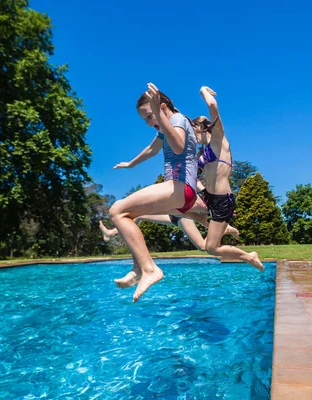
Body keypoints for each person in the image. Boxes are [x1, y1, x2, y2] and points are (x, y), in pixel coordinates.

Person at [109, 83, 199, 302]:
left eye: (150, 116)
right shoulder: (164, 128)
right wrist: (130, 164)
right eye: (146, 120)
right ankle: (139, 266)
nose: (150, 123)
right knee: (130, 216)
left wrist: (160, 114)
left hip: (181, 188)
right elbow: (152, 149)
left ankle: (149, 269)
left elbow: (178, 147)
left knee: (117, 210)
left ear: (163, 106)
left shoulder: (177, 120)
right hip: (179, 194)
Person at [192, 86, 263, 271]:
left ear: (201, 126)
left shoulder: (218, 139)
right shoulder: (203, 152)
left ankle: (249, 256)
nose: (192, 136)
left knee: (211, 248)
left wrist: (202, 91)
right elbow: (196, 177)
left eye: (193, 131)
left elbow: (212, 104)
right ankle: (228, 228)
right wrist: (201, 189)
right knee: (177, 210)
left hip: (223, 200)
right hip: (209, 198)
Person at [99, 216, 239, 288]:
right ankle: (111, 233)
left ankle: (223, 230)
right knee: (136, 215)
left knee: (203, 246)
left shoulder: (190, 178)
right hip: (173, 213)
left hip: (182, 215)